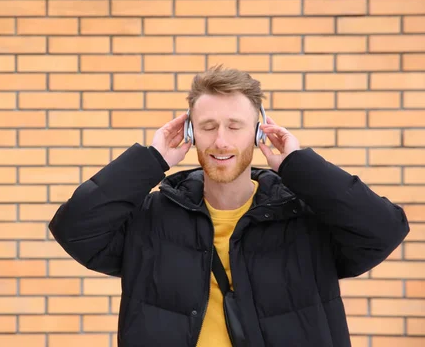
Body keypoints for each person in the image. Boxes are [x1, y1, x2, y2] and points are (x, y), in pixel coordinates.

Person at [48, 65, 410, 347]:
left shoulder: (303, 219)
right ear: (190, 133)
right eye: (208, 126)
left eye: (235, 126)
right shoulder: (150, 220)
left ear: (258, 130)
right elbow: (73, 228)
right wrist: (152, 159)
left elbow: (384, 230)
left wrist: (298, 164)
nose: (221, 141)